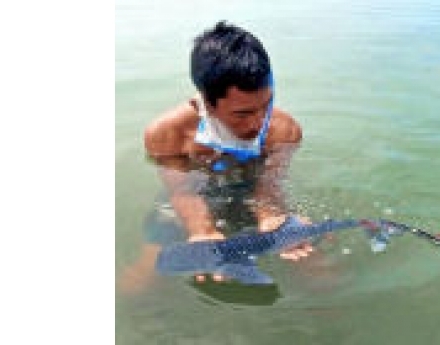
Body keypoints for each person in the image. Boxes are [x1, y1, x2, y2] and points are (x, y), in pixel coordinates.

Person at [118, 21, 314, 292]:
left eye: (265, 105)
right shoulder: (167, 133)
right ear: (207, 101)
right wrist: (202, 230)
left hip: (250, 188)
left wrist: (270, 215)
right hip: (192, 193)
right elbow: (182, 191)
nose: (259, 123)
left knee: (318, 268)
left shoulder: (284, 129)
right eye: (242, 113)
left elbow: (268, 185)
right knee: (140, 281)